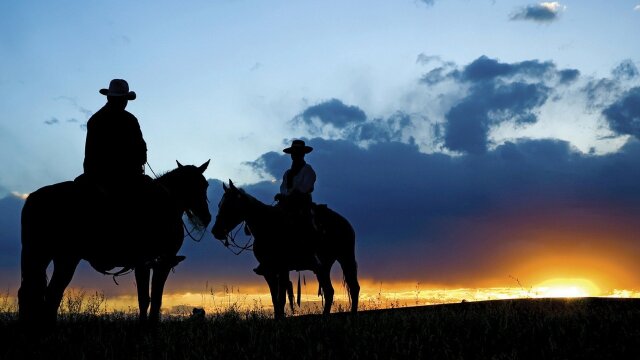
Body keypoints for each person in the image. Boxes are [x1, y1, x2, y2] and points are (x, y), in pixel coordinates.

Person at [75, 79, 184, 268]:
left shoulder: (96, 119)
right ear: (122, 99)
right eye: (123, 99)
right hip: (122, 176)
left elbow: (93, 152)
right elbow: (140, 147)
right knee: (159, 196)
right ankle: (155, 251)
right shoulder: (128, 119)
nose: (123, 102)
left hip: (94, 174)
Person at [254, 139, 320, 275]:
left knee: (305, 224)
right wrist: (282, 195)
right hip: (286, 204)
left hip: (302, 203)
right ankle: (268, 258)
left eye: (298, 153)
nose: (295, 155)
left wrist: (291, 194)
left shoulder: (308, 170)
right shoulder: (287, 173)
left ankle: (311, 256)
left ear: (303, 154)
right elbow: (284, 188)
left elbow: (305, 187)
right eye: (293, 153)